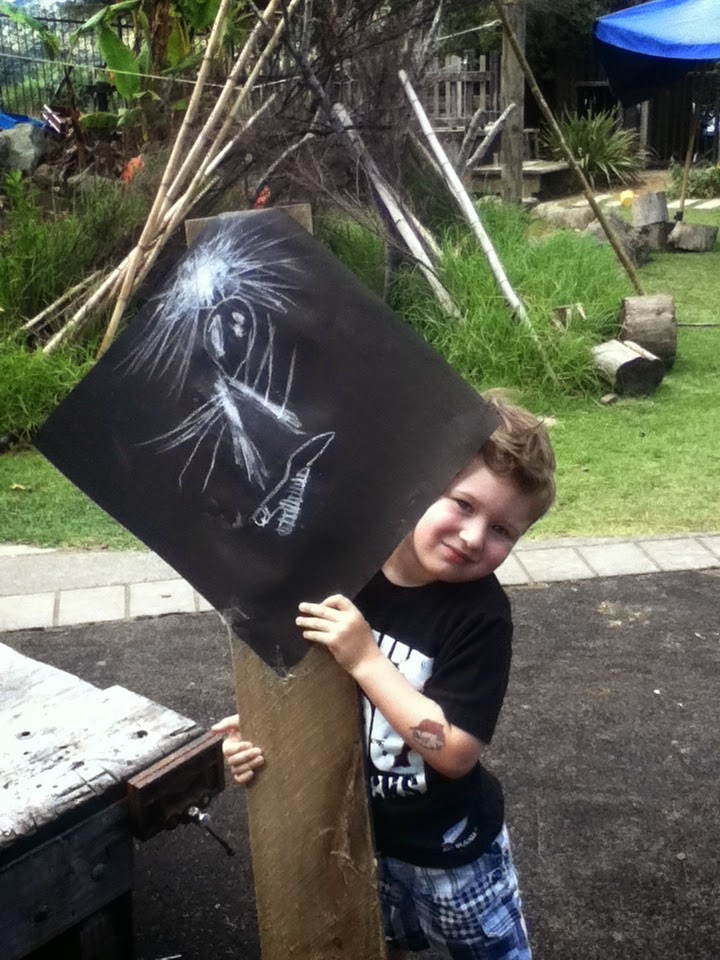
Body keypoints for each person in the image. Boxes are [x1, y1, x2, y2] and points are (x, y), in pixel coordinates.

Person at [213, 393, 556, 960]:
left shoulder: (481, 615)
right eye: (463, 504)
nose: (474, 538)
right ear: (420, 483)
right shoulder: (348, 571)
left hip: (450, 850)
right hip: (361, 833)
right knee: (374, 943)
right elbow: (309, 679)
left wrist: (368, 660)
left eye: (503, 530)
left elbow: (456, 752)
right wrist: (263, 730)